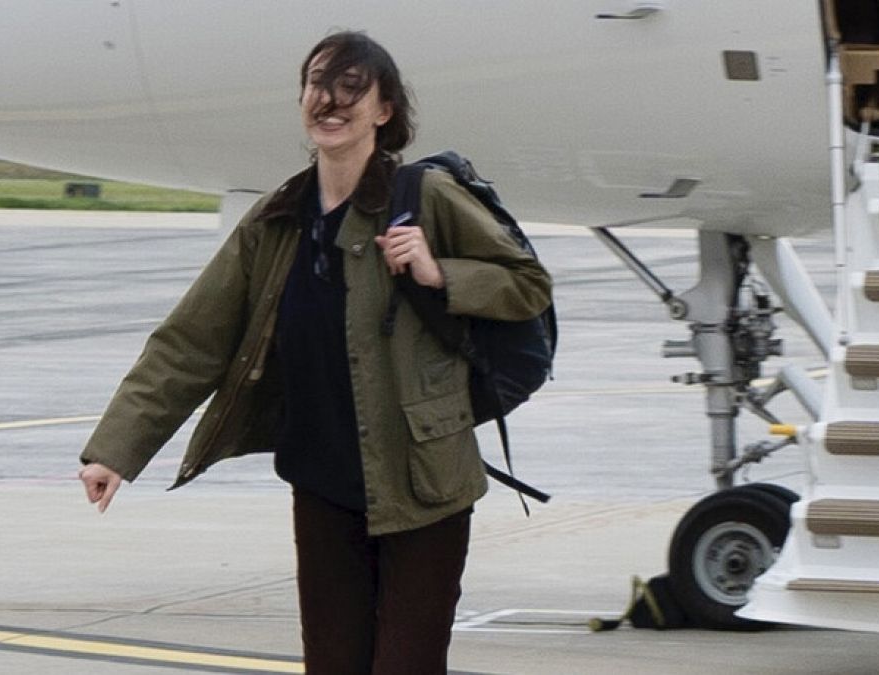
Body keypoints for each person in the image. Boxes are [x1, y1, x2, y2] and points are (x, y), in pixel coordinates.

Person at [78, 30, 552, 674]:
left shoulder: (425, 196)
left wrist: (440, 272)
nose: (331, 101)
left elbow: (528, 285)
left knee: (406, 665)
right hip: (323, 484)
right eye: (318, 85)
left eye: (352, 88)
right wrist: (117, 448)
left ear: (385, 111)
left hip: (425, 482)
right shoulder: (278, 219)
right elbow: (192, 340)